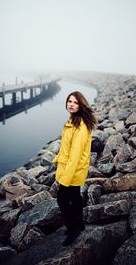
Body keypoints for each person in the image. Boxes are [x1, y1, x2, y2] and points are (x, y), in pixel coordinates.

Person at [52, 91, 97, 246]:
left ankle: (73, 230)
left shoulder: (80, 126)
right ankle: (79, 224)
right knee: (75, 196)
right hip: (72, 167)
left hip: (73, 169)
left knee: (62, 200)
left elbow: (75, 156)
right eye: (69, 101)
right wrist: (58, 158)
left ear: (81, 105)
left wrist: (64, 178)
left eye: (75, 102)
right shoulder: (74, 119)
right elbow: (68, 148)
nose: (71, 104)